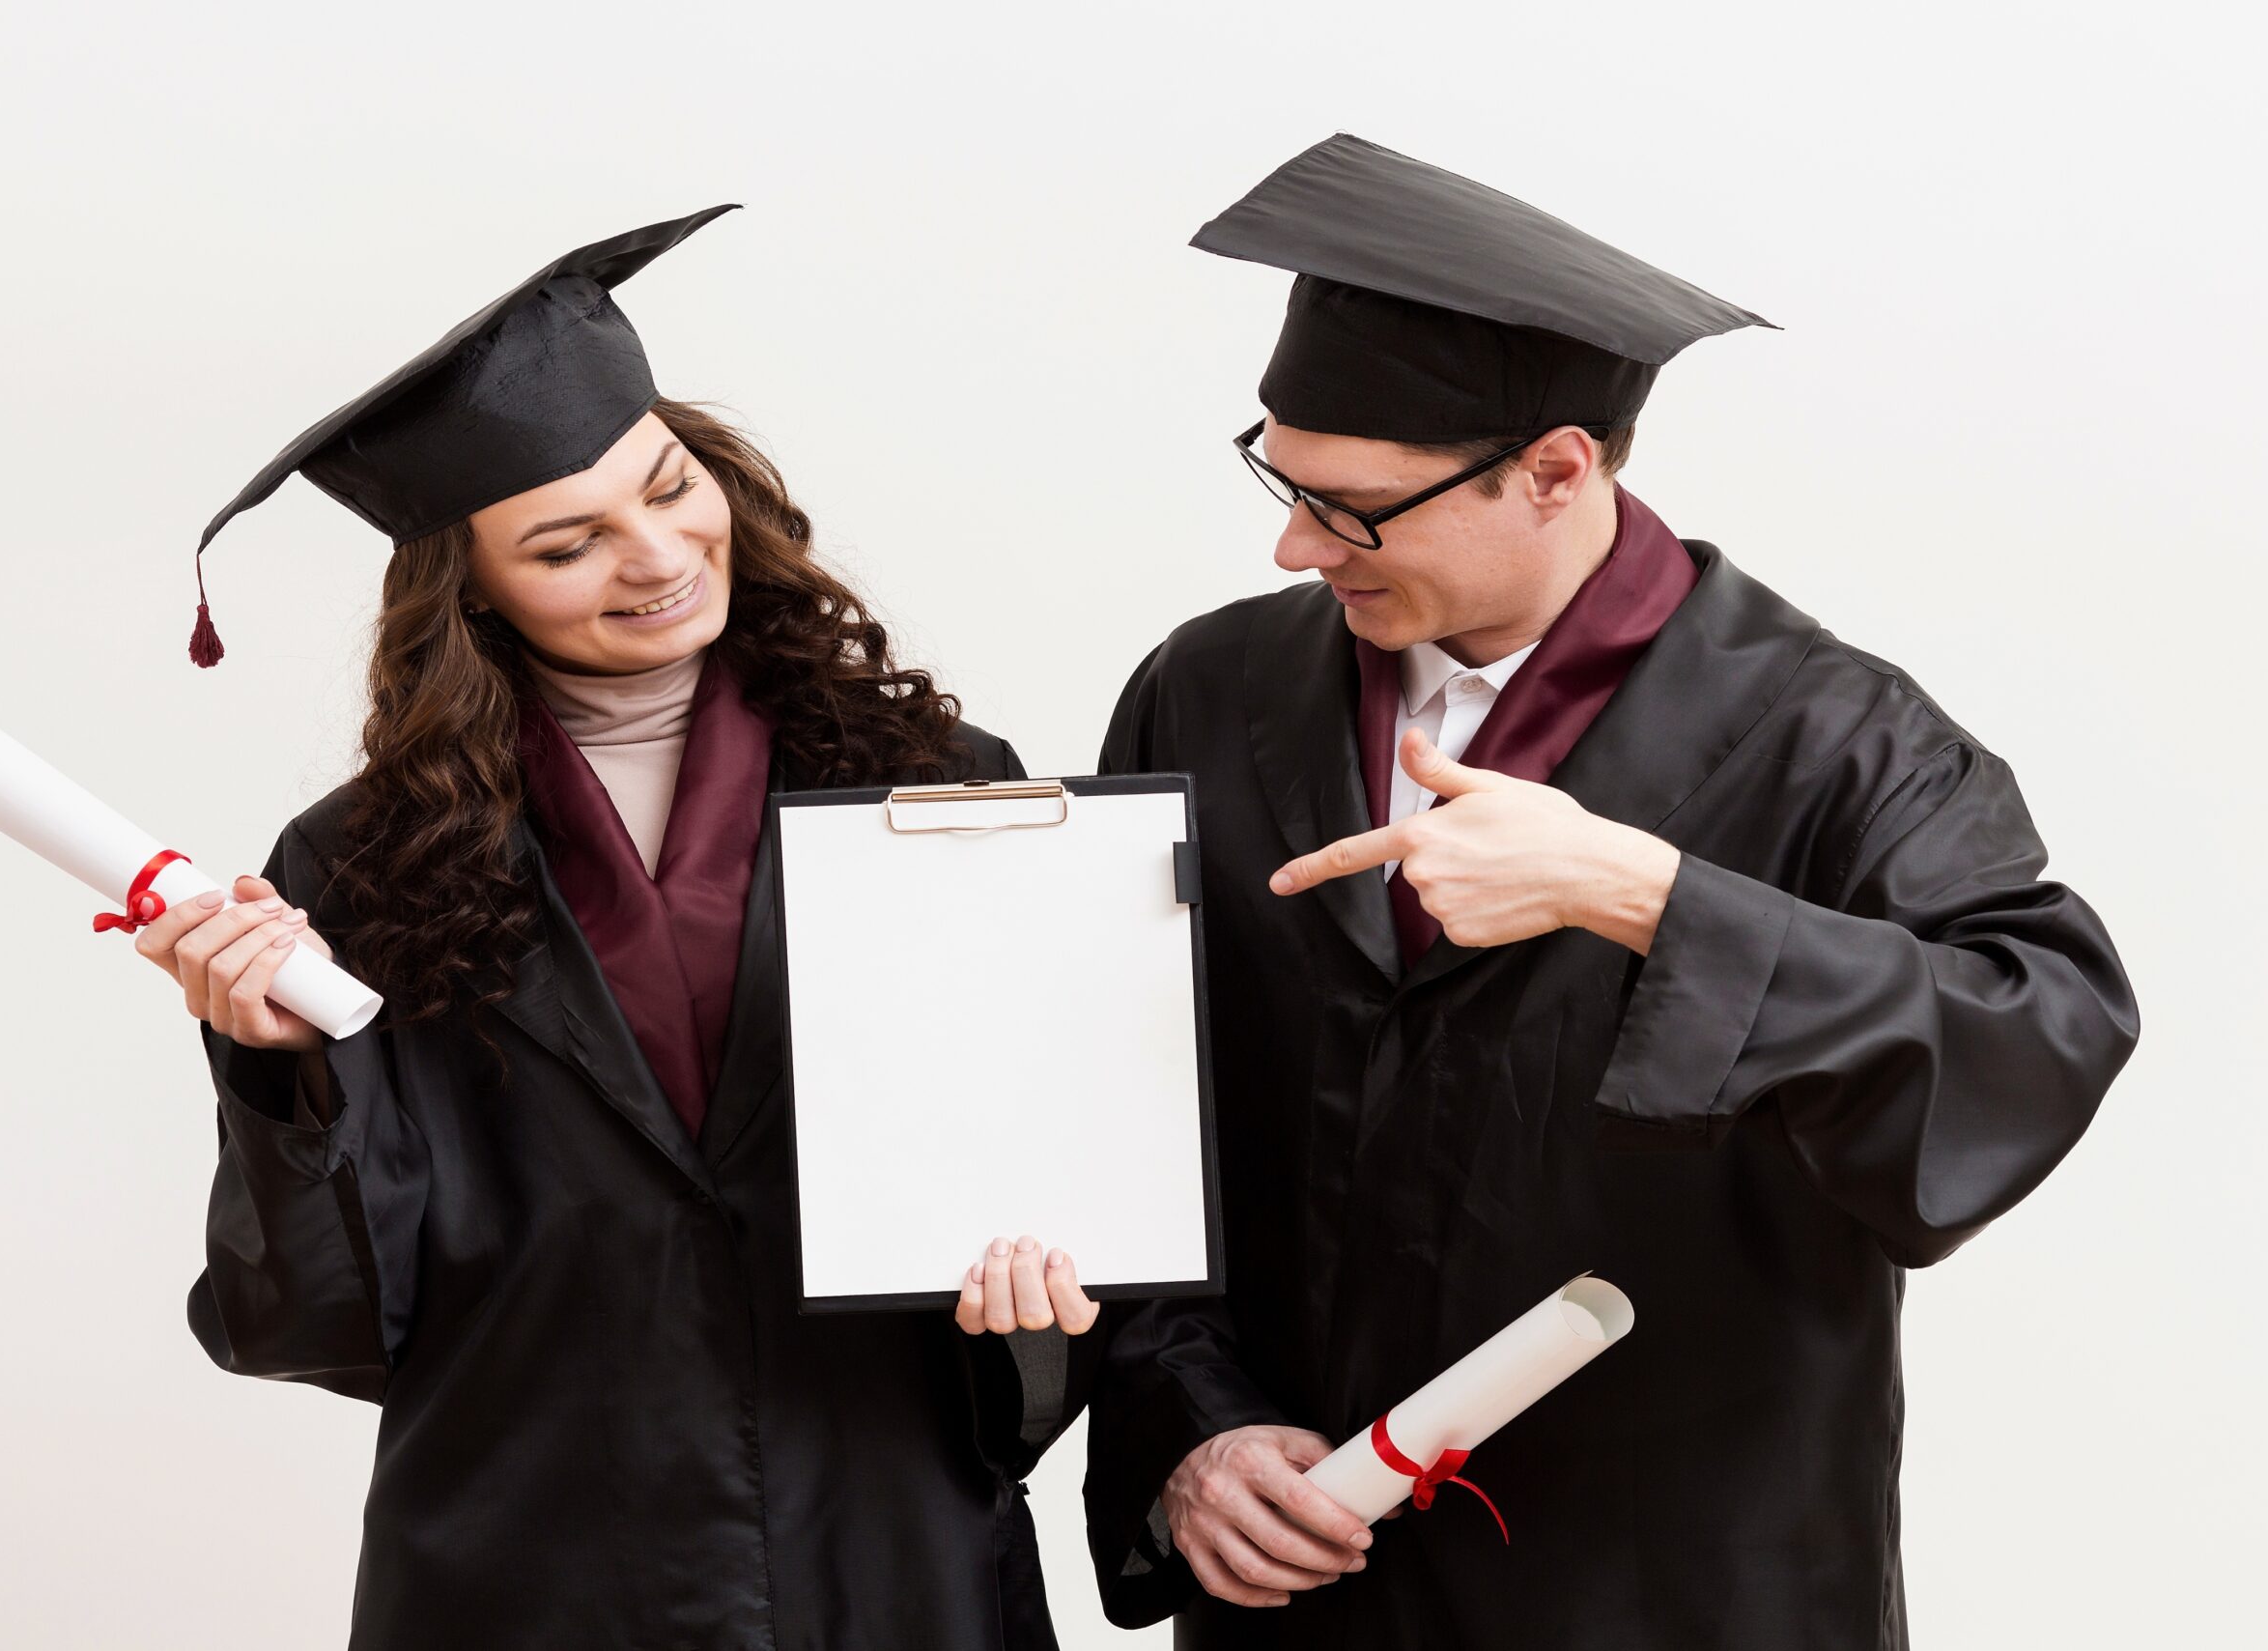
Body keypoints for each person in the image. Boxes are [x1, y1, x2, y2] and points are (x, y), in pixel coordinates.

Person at [1080, 135, 2140, 1649]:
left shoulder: (1834, 738)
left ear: (1556, 470)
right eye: (1282, 478)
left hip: (1681, 1590)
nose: (1294, 544)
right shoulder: (1210, 689)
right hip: (1309, 1581)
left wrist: (1648, 894)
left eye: (1357, 509)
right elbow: (1109, 1119)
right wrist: (1194, 1430)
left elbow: (2033, 1036)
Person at [135, 206, 1097, 1650]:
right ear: (468, 592)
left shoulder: (938, 792)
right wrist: (278, 1071)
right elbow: (320, 1327)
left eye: (669, 483)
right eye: (569, 542)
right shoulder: (359, 866)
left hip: (889, 1545)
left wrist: (1030, 1307)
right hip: (527, 1571)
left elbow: (1049, 1198)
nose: (657, 555)